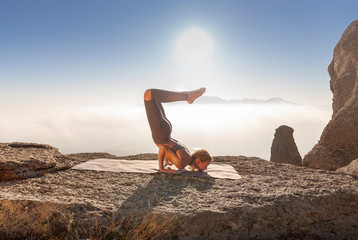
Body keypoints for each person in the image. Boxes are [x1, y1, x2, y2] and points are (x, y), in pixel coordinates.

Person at [144, 88, 212, 174]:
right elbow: (163, 148)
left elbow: (168, 148)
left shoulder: (188, 154)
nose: (206, 168)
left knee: (154, 96)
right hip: (161, 134)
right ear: (199, 161)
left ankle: (187, 95)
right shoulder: (181, 164)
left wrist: (167, 160)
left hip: (165, 132)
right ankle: (187, 96)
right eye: (206, 165)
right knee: (149, 94)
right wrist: (161, 168)